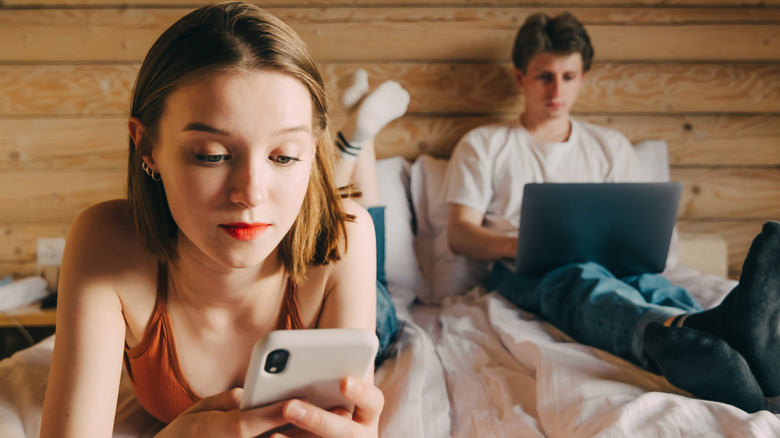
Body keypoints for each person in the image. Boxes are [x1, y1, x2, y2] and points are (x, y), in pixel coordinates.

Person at [40, 3, 402, 436]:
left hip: (353, 282)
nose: (250, 193)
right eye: (212, 156)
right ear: (147, 146)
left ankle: (356, 144)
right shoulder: (105, 243)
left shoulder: (346, 238)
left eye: (284, 156)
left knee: (359, 224)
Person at [443, 11, 780, 413]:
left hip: (614, 261)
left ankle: (728, 347)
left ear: (583, 78)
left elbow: (638, 222)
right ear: (520, 77)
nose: (556, 89)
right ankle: (679, 338)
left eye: (568, 76)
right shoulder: (484, 144)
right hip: (522, 270)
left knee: (652, 283)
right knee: (581, 280)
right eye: (543, 76)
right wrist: (523, 244)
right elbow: (460, 234)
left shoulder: (609, 146)